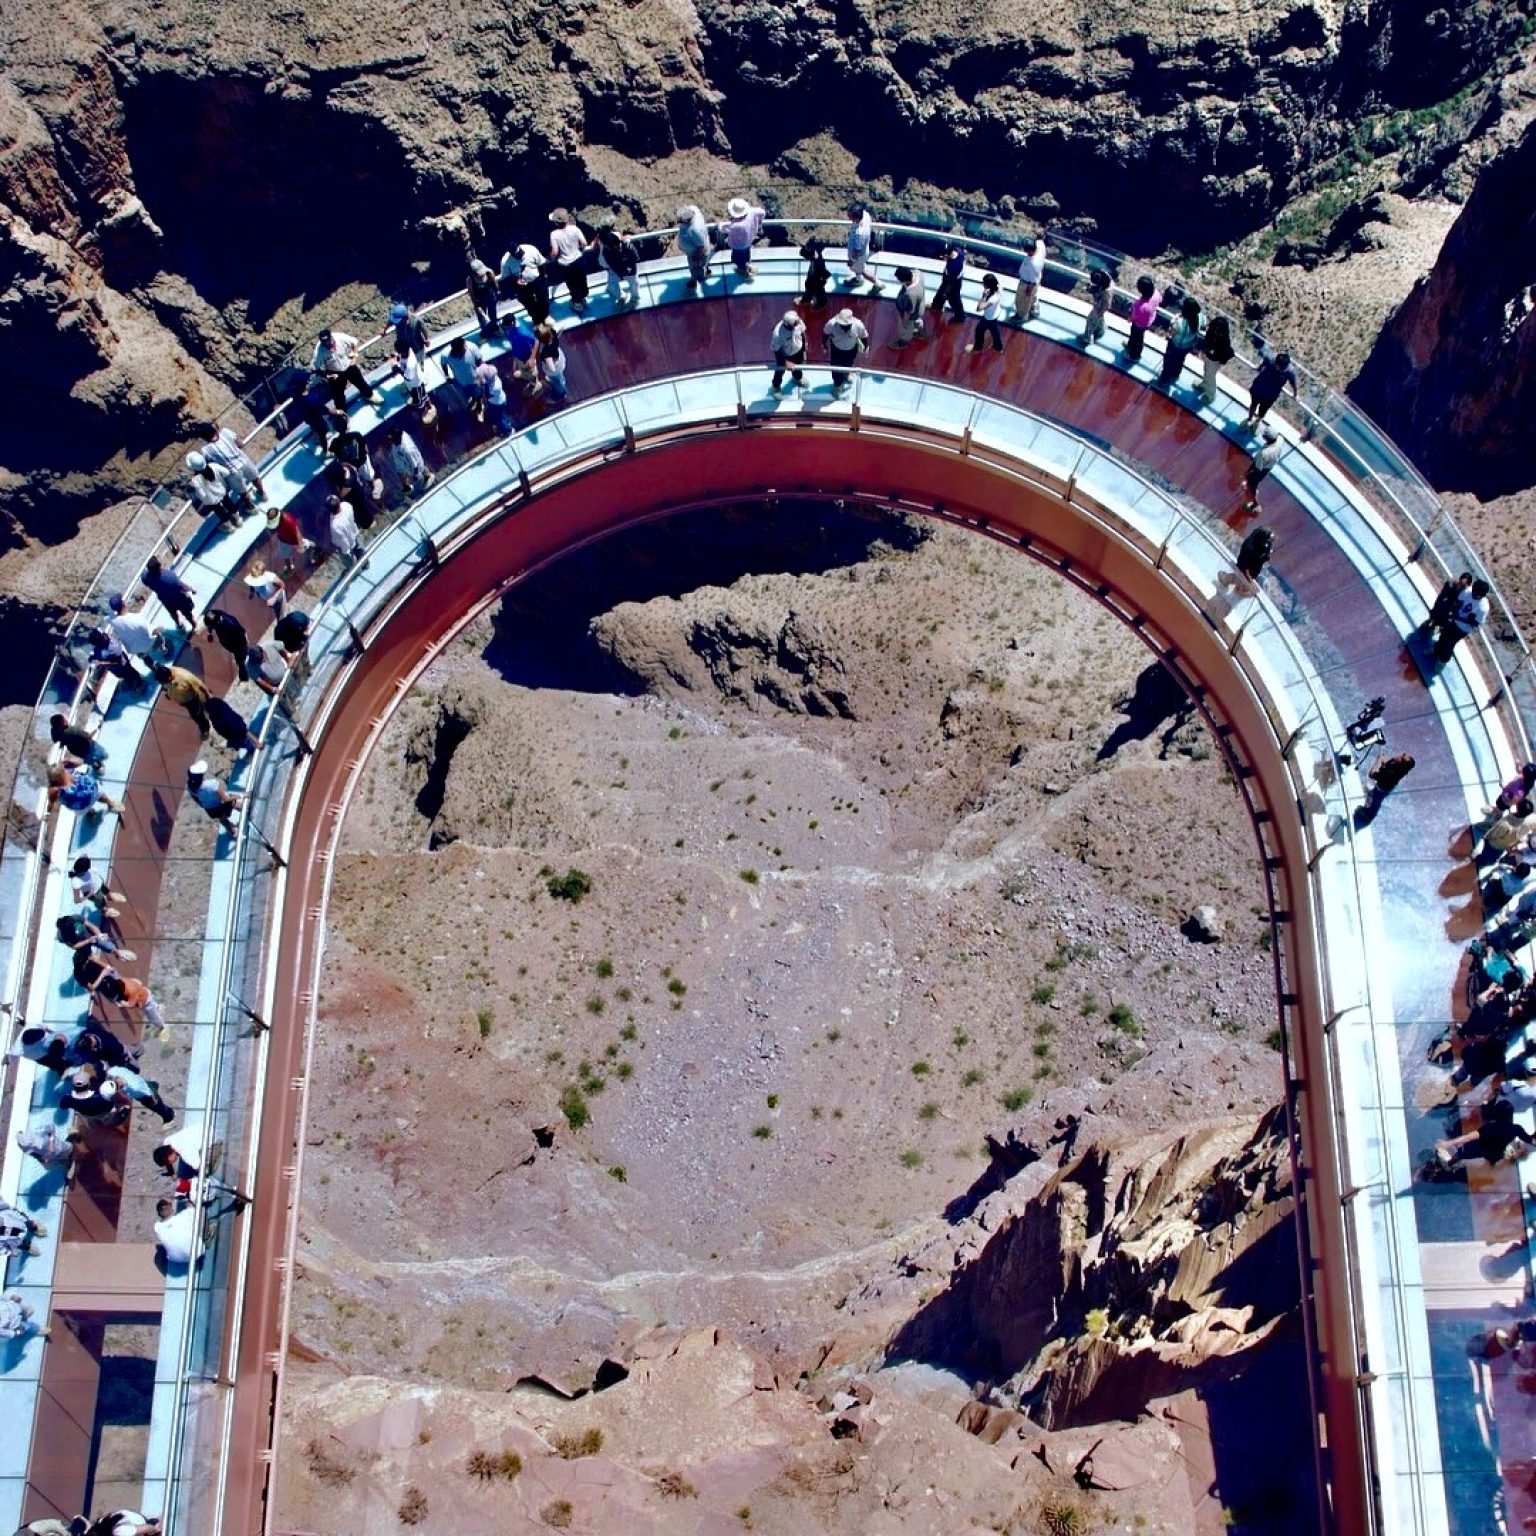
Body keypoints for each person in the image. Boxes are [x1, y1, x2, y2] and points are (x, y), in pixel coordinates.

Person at [1434, 1093, 1534, 1169]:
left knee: (1460, 1154)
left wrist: (1449, 1143)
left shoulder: (1490, 1127)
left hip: (1480, 1148)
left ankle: (1449, 1164)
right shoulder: (1517, 1128)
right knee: (1494, 1158)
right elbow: (1529, 1139)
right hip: (1497, 1152)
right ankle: (1493, 1163)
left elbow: (1468, 1137)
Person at [196, 422, 263, 506]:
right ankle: (262, 494)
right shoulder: (225, 432)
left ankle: (251, 507)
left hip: (232, 473)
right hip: (244, 461)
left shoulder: (205, 450)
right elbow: (240, 444)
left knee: (243, 493)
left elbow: (212, 465)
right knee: (256, 479)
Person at [309, 327, 377, 408]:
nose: (327, 344)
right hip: (334, 373)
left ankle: (370, 396)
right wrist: (327, 376)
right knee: (338, 395)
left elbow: (353, 343)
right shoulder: (319, 351)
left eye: (328, 341)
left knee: (361, 382)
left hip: (349, 365)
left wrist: (355, 356)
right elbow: (314, 368)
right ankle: (342, 412)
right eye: (324, 342)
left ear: (331, 337)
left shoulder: (340, 337)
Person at [1435, 578, 1491, 664]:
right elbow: (1459, 603)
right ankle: (1436, 650)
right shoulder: (1467, 591)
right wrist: (1453, 613)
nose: (1473, 594)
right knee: (1443, 635)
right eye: (1473, 591)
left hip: (1462, 629)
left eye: (1476, 594)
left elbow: (1475, 623)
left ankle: (1443, 660)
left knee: (1449, 644)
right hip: (1453, 621)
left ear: (1482, 595)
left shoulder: (1483, 607)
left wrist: (1459, 618)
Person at [286, 373, 346, 452]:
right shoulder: (310, 399)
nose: (309, 383)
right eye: (308, 382)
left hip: (308, 418)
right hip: (317, 419)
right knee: (323, 433)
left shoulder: (297, 397)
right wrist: (338, 412)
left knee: (316, 429)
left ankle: (317, 436)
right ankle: (325, 450)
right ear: (304, 385)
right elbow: (326, 410)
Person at [100, 973, 167, 1040]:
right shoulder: (125, 980)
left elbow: (130, 1004)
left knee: (153, 1017)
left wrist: (121, 1003)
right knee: (152, 1004)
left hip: (147, 1004)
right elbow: (138, 982)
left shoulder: (131, 991)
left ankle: (162, 1026)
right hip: (146, 994)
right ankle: (157, 1007)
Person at [548, 209, 591, 312]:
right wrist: (577, 248)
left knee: (572, 285)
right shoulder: (575, 229)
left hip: (566, 265)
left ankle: (577, 305)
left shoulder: (554, 234)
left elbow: (554, 252)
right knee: (582, 281)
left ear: (556, 222)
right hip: (578, 261)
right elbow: (584, 243)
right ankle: (584, 298)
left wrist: (550, 258)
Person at [152, 661, 211, 736]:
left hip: (193, 699)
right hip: (182, 700)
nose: (162, 684)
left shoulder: (185, 677)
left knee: (197, 716)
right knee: (197, 713)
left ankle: (205, 727)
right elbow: (168, 687)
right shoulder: (166, 677)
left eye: (163, 682)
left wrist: (208, 696)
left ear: (170, 678)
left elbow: (200, 685)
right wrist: (169, 695)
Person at [105, 594, 160, 673]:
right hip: (149, 643)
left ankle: (153, 666)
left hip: (135, 649)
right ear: (123, 603)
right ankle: (163, 649)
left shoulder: (112, 620)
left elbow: (106, 618)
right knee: (158, 637)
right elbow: (152, 631)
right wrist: (159, 629)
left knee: (144, 657)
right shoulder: (137, 618)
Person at [1245, 347, 1299, 425]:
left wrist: (1295, 395)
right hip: (1259, 387)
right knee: (1253, 404)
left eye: (1283, 369)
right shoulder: (1270, 359)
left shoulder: (1290, 372)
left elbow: (1293, 384)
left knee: (1263, 411)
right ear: (1276, 363)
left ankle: (1256, 423)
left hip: (1271, 394)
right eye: (1279, 368)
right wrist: (1258, 368)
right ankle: (1249, 419)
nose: (1281, 370)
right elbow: (1263, 364)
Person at [141, 556, 198, 629]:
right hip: (179, 598)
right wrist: (192, 590)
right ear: (159, 566)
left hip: (165, 600)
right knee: (187, 613)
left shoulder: (145, 578)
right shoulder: (169, 576)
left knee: (173, 613)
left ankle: (179, 624)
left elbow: (145, 579)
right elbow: (182, 586)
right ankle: (194, 624)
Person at [1158, 296, 1203, 388]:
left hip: (1175, 345)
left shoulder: (1179, 322)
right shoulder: (1201, 318)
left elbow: (1172, 332)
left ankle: (1164, 379)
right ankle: (1175, 374)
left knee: (1168, 361)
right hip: (1187, 346)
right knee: (1180, 360)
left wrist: (1175, 318)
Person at [183, 453, 239, 527]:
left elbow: (202, 495)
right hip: (222, 491)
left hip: (212, 500)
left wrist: (199, 496)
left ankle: (228, 526)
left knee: (220, 511)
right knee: (229, 504)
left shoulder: (195, 480)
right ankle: (237, 519)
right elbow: (227, 472)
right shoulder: (213, 466)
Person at [503, 241, 551, 324]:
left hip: (537, 279)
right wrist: (516, 282)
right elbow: (507, 277)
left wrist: (543, 277)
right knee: (529, 304)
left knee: (543, 298)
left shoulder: (531, 249)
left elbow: (541, 264)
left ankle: (546, 316)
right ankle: (536, 320)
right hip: (521, 286)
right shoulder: (505, 262)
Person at [823, 308, 869, 395]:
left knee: (848, 364)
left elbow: (864, 337)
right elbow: (825, 334)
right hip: (836, 350)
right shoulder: (831, 324)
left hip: (851, 349)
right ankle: (837, 385)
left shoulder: (858, 325)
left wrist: (866, 347)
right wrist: (824, 345)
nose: (844, 326)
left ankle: (846, 375)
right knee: (836, 369)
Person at [186, 760, 243, 830]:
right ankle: (243, 809)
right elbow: (225, 799)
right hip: (222, 806)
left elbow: (197, 800)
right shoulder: (211, 784)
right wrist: (239, 796)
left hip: (210, 810)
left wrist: (206, 804)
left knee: (223, 819)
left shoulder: (190, 787)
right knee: (231, 798)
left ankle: (234, 832)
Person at [56, 909, 131, 961]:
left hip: (88, 935)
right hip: (81, 944)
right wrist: (89, 940)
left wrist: (99, 935)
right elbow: (75, 946)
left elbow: (90, 925)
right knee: (93, 959)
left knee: (104, 942)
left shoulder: (74, 917)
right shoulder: (65, 935)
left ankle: (117, 952)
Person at [48, 764, 122, 817]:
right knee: (100, 795)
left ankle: (90, 812)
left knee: (81, 811)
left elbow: (52, 801)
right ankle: (111, 803)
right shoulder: (69, 771)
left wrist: (49, 809)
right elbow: (79, 764)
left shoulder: (56, 789)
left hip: (81, 806)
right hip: (92, 791)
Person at [595, 222, 640, 305]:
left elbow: (635, 258)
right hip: (616, 270)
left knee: (634, 283)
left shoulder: (628, 247)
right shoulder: (606, 252)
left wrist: (629, 270)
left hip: (629, 268)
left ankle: (635, 298)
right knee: (612, 286)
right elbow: (612, 265)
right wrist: (620, 273)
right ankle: (621, 297)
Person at [1241, 428, 1284, 513]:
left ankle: (1255, 504)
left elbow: (1257, 468)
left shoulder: (1264, 453)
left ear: (1266, 438)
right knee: (1253, 479)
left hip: (1261, 468)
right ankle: (1251, 485)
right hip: (1268, 465)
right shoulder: (1280, 440)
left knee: (1252, 484)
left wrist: (1248, 474)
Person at [382, 425, 432, 497]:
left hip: (411, 464)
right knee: (401, 474)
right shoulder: (398, 438)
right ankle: (406, 487)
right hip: (401, 462)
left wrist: (415, 475)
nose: (389, 440)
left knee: (421, 468)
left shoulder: (407, 449)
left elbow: (414, 464)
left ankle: (427, 476)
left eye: (391, 439)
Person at [202, 608, 250, 681]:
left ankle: (244, 675)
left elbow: (243, 633)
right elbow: (209, 625)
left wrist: (242, 646)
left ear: (217, 623)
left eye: (212, 626)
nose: (211, 628)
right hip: (229, 642)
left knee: (240, 660)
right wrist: (210, 633)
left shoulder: (231, 625)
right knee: (240, 658)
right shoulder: (215, 614)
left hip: (238, 645)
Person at [723, 197, 764, 279]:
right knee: (746, 255)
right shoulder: (752, 212)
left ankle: (744, 270)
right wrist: (759, 221)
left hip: (738, 246)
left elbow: (725, 229)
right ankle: (747, 265)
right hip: (749, 241)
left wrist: (721, 225)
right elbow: (762, 212)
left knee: (738, 260)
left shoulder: (736, 226)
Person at [267, 507, 315, 576]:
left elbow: (297, 532)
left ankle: (315, 548)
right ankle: (289, 568)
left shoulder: (288, 521)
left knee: (306, 545)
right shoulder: (275, 520)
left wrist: (300, 545)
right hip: (282, 540)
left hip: (294, 541)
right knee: (285, 555)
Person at [843, 203, 880, 292]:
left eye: (849, 215)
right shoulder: (865, 215)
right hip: (863, 250)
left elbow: (857, 251)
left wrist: (852, 260)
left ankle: (878, 284)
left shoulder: (859, 233)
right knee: (859, 269)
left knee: (862, 270)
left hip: (859, 256)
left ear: (855, 218)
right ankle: (858, 279)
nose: (847, 216)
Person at [1124, 275, 1161, 363]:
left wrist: (1129, 319)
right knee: (1136, 337)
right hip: (1148, 321)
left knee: (1137, 339)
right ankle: (1130, 346)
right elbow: (1160, 300)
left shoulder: (1140, 306)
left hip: (1139, 325)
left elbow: (1134, 317)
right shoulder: (1156, 293)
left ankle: (1135, 356)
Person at [1199, 314, 1235, 403]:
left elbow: (1224, 352)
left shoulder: (1225, 340)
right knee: (1206, 371)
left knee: (1211, 376)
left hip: (1215, 360)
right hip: (1208, 356)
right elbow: (1207, 341)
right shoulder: (1211, 332)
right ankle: (1204, 385)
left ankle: (1210, 395)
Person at [966, 274, 1005, 355]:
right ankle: (998, 348)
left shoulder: (993, 299)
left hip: (989, 318)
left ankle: (977, 348)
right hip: (995, 313)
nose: (982, 284)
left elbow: (979, 308)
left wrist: (983, 297)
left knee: (979, 330)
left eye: (984, 283)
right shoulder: (999, 288)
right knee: (994, 331)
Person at [154, 1198, 200, 1265]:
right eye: (170, 1204)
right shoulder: (183, 1216)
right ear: (168, 1207)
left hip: (175, 1259)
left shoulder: (157, 1227)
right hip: (195, 1253)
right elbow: (193, 1207)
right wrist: (189, 1204)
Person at [676, 205, 712, 291]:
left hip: (696, 253)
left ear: (687, 220)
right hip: (694, 250)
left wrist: (696, 257)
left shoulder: (695, 230)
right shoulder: (693, 210)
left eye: (681, 220)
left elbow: (701, 247)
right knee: (702, 265)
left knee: (695, 267)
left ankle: (695, 280)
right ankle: (705, 271)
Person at [770, 309, 807, 392]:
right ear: (788, 325)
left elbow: (803, 333)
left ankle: (797, 378)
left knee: (798, 367)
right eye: (795, 324)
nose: (798, 324)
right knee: (780, 371)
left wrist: (804, 348)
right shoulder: (777, 334)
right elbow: (776, 350)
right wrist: (786, 362)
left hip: (798, 351)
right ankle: (776, 387)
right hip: (784, 355)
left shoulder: (798, 321)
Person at [1011, 237, 1046, 324]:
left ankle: (1021, 317)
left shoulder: (1034, 263)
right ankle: (1034, 310)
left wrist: (1029, 290)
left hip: (1027, 284)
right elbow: (1040, 240)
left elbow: (1033, 280)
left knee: (1021, 301)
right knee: (1033, 296)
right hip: (1034, 280)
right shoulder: (1040, 245)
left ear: (1029, 251)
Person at [388, 301, 430, 373]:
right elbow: (390, 321)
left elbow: (424, 329)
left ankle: (421, 370)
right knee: (405, 363)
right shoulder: (398, 319)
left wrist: (427, 339)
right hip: (404, 347)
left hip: (417, 346)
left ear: (405, 317)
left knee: (420, 361)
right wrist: (384, 329)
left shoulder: (417, 320)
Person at [891, 267, 927, 346]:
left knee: (906, 328)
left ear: (904, 280)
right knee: (918, 320)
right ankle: (919, 332)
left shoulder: (910, 294)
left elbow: (908, 311)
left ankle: (902, 342)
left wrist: (904, 323)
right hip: (920, 307)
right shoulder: (918, 273)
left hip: (912, 313)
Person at [467, 258, 503, 336]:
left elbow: (495, 285)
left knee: (493, 314)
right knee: (482, 318)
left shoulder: (489, 272)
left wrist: (498, 294)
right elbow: (472, 294)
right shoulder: (470, 280)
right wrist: (476, 306)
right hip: (479, 300)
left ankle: (494, 328)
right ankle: (485, 332)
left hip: (490, 296)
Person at [475, 360, 512, 434]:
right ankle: (507, 422)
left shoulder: (494, 388)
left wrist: (482, 384)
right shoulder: (497, 379)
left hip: (496, 404)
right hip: (501, 400)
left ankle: (509, 430)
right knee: (502, 414)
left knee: (498, 420)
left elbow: (486, 396)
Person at [932, 244, 966, 325]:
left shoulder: (954, 266)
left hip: (953, 284)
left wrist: (946, 292)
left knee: (954, 300)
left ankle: (960, 317)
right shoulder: (957, 250)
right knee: (940, 295)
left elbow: (951, 282)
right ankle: (936, 306)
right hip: (949, 280)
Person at [1078, 268, 1112, 346]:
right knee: (1099, 320)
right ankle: (1100, 331)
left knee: (1091, 320)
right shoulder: (1106, 283)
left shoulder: (1105, 292)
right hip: (1099, 308)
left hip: (1098, 309)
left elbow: (1106, 304)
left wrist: (1099, 312)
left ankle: (1087, 338)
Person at [535, 325, 569, 402]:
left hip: (555, 368)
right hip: (559, 358)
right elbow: (562, 328)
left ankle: (561, 393)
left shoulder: (546, 352)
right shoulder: (552, 334)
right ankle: (560, 380)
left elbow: (552, 369)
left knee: (557, 381)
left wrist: (549, 362)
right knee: (559, 376)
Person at [327, 495, 362, 566]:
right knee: (359, 550)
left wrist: (345, 552)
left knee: (349, 561)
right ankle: (365, 563)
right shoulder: (346, 505)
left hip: (344, 546)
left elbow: (343, 541)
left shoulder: (336, 525)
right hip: (354, 534)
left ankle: (354, 570)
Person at [799, 238, 831, 310]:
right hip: (813, 275)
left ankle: (821, 303)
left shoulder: (819, 262)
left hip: (818, 278)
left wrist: (822, 280)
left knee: (819, 291)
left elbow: (822, 273)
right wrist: (804, 247)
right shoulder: (815, 257)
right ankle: (807, 299)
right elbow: (803, 253)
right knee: (808, 286)